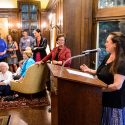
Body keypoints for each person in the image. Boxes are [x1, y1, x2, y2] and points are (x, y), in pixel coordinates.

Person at [80, 32, 125, 125]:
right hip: (101, 99)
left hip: (113, 104)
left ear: (115, 44)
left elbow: (117, 86)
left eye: (107, 42)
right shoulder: (108, 56)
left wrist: (98, 90)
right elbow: (100, 71)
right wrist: (89, 70)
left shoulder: (121, 62)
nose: (105, 44)